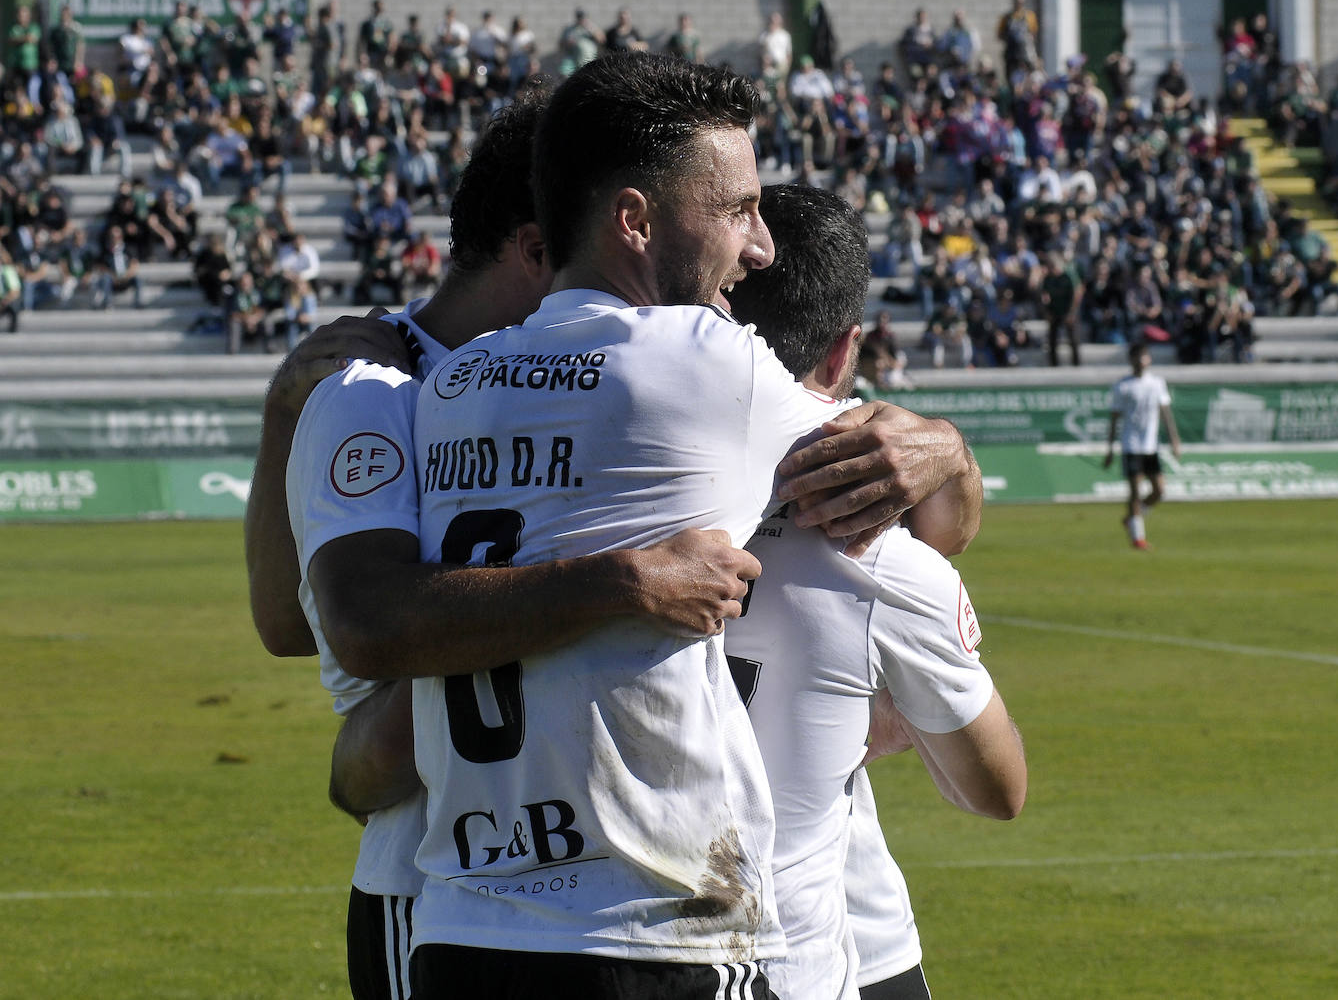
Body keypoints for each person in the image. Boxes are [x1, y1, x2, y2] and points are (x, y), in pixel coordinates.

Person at [249, 79, 969, 997]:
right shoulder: (704, 366)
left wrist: (940, 447)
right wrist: (623, 585)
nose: (760, 244)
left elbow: (352, 683)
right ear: (603, 225)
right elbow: (927, 522)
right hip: (640, 921)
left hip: (465, 914)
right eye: (740, 210)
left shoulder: (433, 391)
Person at [726, 183, 1025, 1000]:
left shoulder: (624, 469)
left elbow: (946, 523)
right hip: (806, 947)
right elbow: (997, 789)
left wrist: (948, 451)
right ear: (843, 348)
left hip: (619, 929)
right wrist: (888, 719)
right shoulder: (875, 554)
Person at [1102, 342, 1182, 550]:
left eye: (1144, 356)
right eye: (1137, 356)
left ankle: (1131, 519)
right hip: (1131, 445)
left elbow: (1166, 413)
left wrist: (1175, 440)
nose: (1141, 360)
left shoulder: (1157, 383)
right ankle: (1138, 538)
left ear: (1149, 359)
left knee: (1159, 491)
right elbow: (1114, 418)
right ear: (1131, 360)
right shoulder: (1123, 386)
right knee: (1135, 493)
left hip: (1151, 446)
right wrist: (1110, 449)